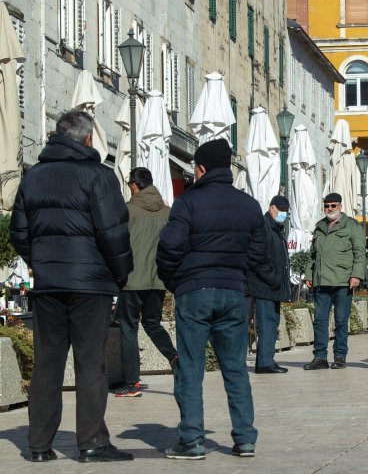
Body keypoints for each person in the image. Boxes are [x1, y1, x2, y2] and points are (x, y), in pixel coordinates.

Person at [10, 110, 134, 462]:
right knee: (90, 363)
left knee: (48, 363)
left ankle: (38, 445)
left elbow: (18, 232)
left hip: (48, 283)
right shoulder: (99, 176)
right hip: (90, 285)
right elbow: (113, 233)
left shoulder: (33, 177)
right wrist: (120, 274)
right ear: (87, 139)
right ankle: (92, 441)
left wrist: (42, 259)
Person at [157, 138, 273, 459]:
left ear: (202, 168)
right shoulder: (249, 205)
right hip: (234, 292)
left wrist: (175, 281)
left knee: (191, 368)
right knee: (235, 367)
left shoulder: (188, 202)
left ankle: (192, 440)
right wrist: (239, 280)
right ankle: (245, 438)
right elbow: (260, 254)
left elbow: (169, 247)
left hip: (194, 290)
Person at [115, 167, 178, 398]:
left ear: (133, 185)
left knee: (128, 329)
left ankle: (132, 383)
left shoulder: (128, 210)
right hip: (158, 279)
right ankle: (174, 357)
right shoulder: (168, 212)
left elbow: (117, 244)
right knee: (152, 323)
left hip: (131, 280)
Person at [303, 192, 366, 370]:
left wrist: (356, 275)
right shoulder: (319, 226)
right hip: (322, 281)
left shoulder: (352, 226)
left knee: (340, 321)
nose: (329, 209)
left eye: (333, 205)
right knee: (320, 321)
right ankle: (320, 357)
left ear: (340, 206)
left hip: (342, 281)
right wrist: (309, 275)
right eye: (327, 206)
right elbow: (312, 255)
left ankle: (339, 357)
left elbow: (359, 254)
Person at [247, 195, 292, 374]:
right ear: (272, 208)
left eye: (286, 211)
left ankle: (265, 360)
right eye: (281, 210)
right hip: (265, 285)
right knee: (267, 323)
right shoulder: (264, 227)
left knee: (272, 322)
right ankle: (265, 362)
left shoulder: (276, 228)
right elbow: (258, 257)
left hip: (272, 285)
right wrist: (273, 278)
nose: (284, 214)